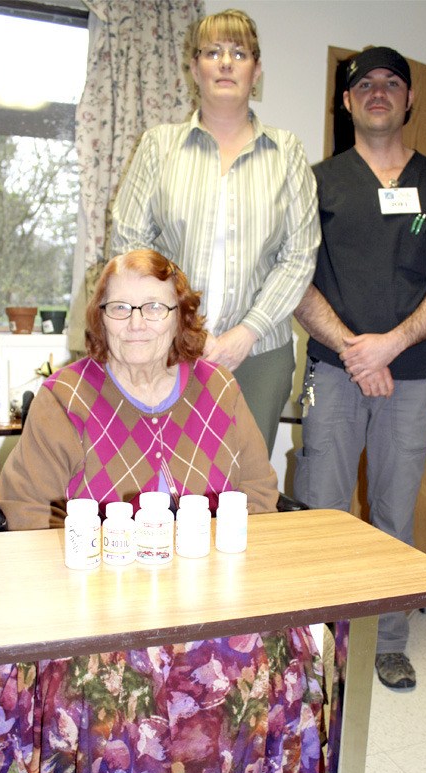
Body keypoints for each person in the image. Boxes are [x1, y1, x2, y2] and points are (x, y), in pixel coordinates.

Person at [0, 250, 324, 773]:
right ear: (100, 319)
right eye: (120, 306)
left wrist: (211, 568)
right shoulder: (68, 397)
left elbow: (257, 488)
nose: (137, 320)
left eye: (154, 306)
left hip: (203, 598)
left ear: (180, 316)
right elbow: (23, 508)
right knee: (121, 684)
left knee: (268, 652)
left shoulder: (216, 388)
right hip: (94, 605)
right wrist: (92, 572)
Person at [293, 46, 426, 690]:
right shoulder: (317, 182)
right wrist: (353, 349)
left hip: (413, 372)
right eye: (363, 84)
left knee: (395, 510)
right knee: (324, 511)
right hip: (336, 371)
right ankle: (317, 643)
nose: (377, 92)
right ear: (346, 102)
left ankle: (389, 639)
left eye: (391, 83)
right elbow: (298, 282)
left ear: (409, 99)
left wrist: (390, 345)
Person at [110, 8, 319, 456]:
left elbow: (300, 255)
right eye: (213, 52)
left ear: (256, 69)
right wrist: (187, 329)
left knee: (242, 487)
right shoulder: (158, 146)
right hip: (169, 345)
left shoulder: (287, 153)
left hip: (262, 355)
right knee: (163, 475)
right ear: (194, 68)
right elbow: (129, 245)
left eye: (239, 53)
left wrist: (248, 332)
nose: (226, 62)